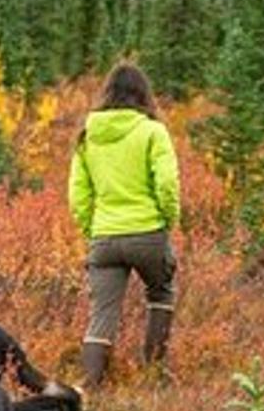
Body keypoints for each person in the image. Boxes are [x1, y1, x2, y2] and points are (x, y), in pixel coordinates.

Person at [67, 60, 182, 389]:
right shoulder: (152, 131)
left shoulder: (88, 135)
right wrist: (168, 219)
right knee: (161, 292)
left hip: (104, 237)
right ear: (143, 94)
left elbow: (78, 194)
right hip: (148, 232)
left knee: (102, 314)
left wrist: (93, 229)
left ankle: (89, 389)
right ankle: (153, 373)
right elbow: (167, 183)